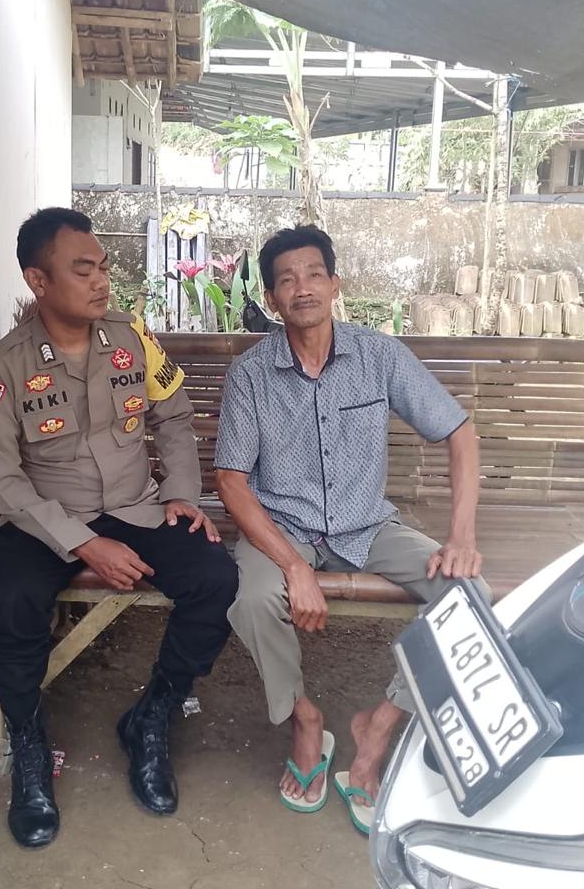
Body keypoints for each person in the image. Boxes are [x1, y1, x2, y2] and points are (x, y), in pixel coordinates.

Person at [0, 207, 238, 848]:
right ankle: (28, 744)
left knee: (215, 578)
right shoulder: (1, 368)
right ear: (38, 281)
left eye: (103, 268)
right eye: (83, 269)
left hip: (137, 506)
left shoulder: (131, 339)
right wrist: (86, 543)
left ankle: (152, 716)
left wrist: (181, 494)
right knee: (12, 604)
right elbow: (3, 484)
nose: (101, 282)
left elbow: (173, 417)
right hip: (46, 520)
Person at [214, 224, 485, 831]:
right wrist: (293, 566)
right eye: (287, 280)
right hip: (284, 528)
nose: (302, 288)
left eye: (314, 274)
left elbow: (460, 432)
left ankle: (378, 725)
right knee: (253, 597)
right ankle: (305, 720)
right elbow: (231, 481)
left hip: (367, 525)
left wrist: (461, 537)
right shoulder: (251, 375)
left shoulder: (379, 355)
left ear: (335, 284)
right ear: (271, 297)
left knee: (469, 595)